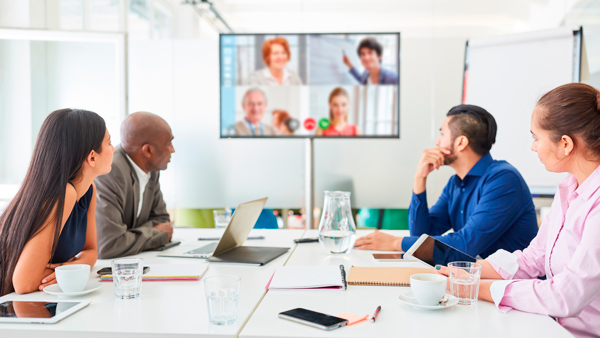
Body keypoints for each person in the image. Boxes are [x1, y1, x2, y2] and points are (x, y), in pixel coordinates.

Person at [438, 83, 600, 338]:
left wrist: (472, 287)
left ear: (566, 144)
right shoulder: (569, 188)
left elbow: (565, 296)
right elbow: (533, 258)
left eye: (536, 137)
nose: (533, 147)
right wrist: (470, 273)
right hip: (550, 326)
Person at [355, 104, 538, 258]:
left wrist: (396, 243)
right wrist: (420, 178)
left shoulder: (504, 180)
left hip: (515, 289)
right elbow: (422, 237)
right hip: (480, 284)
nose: (437, 141)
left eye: (442, 134)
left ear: (460, 143)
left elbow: (465, 246)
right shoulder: (455, 183)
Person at [0, 109, 114, 296]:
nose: (114, 149)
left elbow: (91, 251)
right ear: (92, 157)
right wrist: (67, 271)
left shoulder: (88, 191)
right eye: (109, 142)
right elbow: (24, 283)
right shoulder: (65, 194)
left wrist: (74, 266)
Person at [94, 112, 175, 259]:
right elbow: (108, 244)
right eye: (169, 143)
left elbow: (163, 220)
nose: (172, 149)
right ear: (148, 150)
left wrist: (129, 235)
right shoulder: (111, 172)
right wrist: (154, 232)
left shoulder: (151, 170)